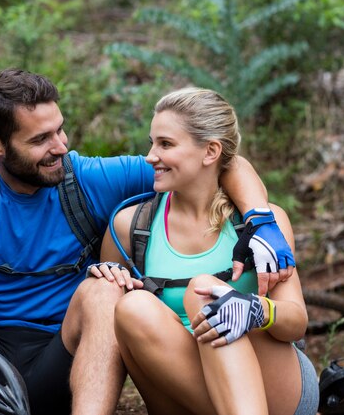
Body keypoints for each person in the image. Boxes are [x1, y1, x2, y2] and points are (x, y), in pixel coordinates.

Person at [0, 69, 294, 415]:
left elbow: (218, 162)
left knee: (105, 291)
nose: (60, 146)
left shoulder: (87, 178)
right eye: (40, 139)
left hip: (61, 362)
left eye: (60, 130)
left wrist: (260, 219)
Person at [91, 88, 319, 415]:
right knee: (132, 307)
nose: (150, 156)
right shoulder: (131, 226)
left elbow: (296, 323)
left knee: (204, 292)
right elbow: (112, 332)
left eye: (166, 144)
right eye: (152, 142)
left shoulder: (260, 223)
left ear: (210, 151)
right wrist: (108, 279)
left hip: (274, 390)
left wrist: (257, 310)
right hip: (186, 393)